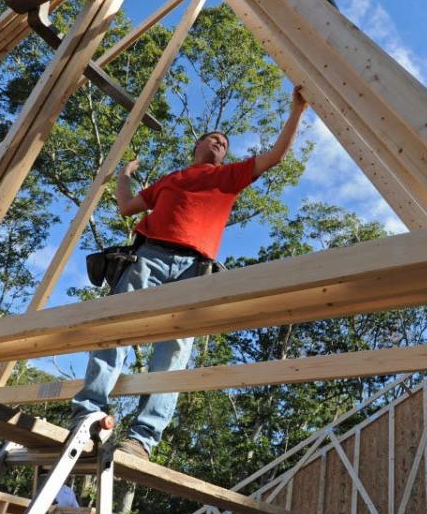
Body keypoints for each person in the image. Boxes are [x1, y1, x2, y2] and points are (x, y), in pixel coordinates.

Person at [70, 86, 309, 460]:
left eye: (225, 143)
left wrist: (296, 111)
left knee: (175, 349)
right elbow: (126, 208)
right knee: (115, 325)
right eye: (214, 138)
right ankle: (89, 413)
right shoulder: (173, 178)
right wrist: (124, 174)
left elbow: (276, 156)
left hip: (195, 268)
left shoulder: (230, 176)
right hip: (148, 255)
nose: (220, 143)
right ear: (198, 146)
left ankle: (142, 439)